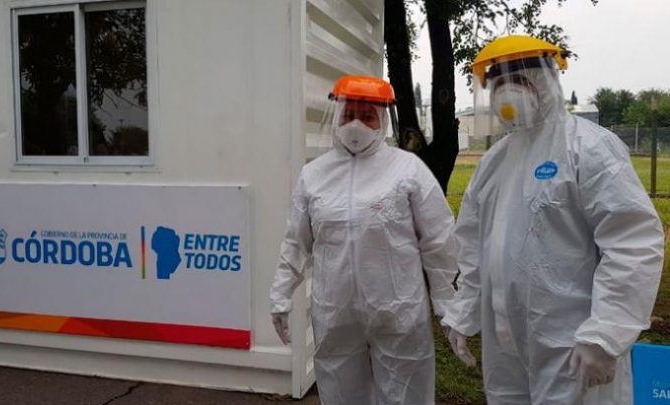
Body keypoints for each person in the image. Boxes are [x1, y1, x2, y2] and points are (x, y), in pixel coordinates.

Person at [441, 35, 665, 404]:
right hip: (505, 342)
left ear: (545, 81)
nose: (506, 93)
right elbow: (473, 246)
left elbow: (632, 243)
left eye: (518, 80)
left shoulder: (589, 147)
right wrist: (464, 310)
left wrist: (606, 333)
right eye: (497, 84)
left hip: (575, 343)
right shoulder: (495, 161)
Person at [269, 75, 458, 405]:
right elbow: (296, 241)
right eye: (348, 114)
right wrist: (281, 294)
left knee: (406, 394)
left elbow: (438, 240)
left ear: (382, 119)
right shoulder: (314, 175)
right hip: (336, 312)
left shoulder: (407, 170)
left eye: (367, 116)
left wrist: (448, 304)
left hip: (398, 310)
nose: (355, 123)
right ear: (336, 115)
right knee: (340, 392)